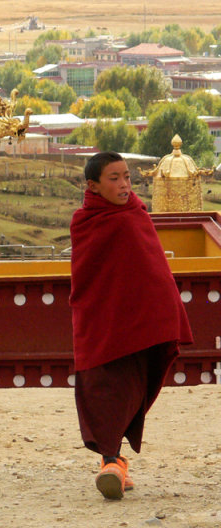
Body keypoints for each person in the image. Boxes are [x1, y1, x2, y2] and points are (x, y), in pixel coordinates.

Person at [69, 151, 193, 500]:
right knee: (104, 388)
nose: (124, 184)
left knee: (131, 389)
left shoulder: (135, 214)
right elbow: (89, 278)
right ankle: (111, 461)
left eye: (126, 176)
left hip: (138, 324)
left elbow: (153, 269)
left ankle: (115, 462)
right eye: (114, 178)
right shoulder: (85, 221)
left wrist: (166, 313)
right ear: (93, 185)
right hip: (103, 323)